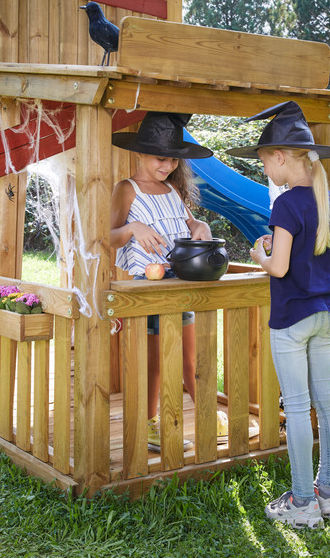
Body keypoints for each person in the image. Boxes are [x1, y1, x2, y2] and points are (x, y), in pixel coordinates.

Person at [229, 101, 330, 529]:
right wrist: (284, 246)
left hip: (291, 320)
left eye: (264, 161)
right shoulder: (328, 199)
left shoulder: (284, 205)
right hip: (326, 314)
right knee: (327, 402)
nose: (265, 170)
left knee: (297, 409)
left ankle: (301, 503)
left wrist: (258, 253)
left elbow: (278, 267)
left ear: (280, 156)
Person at [110, 111, 215, 452]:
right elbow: (107, 237)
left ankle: (207, 416)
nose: (168, 165)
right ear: (139, 153)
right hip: (150, 286)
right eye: (160, 157)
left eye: (172, 159)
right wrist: (132, 229)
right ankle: (150, 424)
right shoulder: (126, 189)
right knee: (155, 359)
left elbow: (190, 223)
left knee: (189, 356)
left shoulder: (171, 188)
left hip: (180, 282)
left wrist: (201, 228)